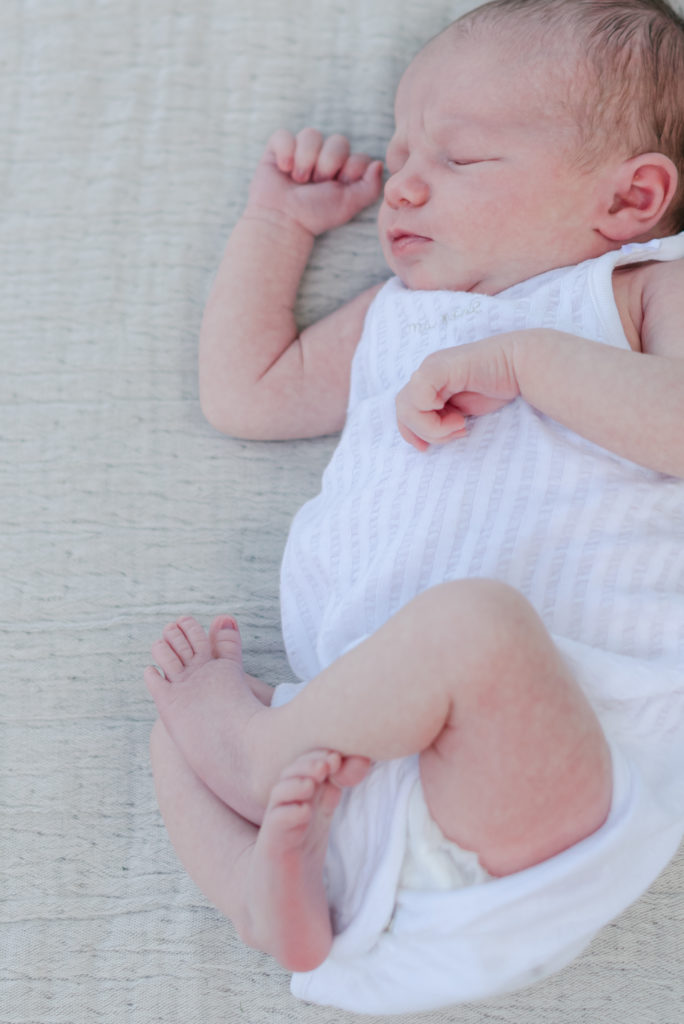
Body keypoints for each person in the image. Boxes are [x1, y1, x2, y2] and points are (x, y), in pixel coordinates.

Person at [144, 0, 684, 1012]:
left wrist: (526, 360)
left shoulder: (641, 288)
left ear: (631, 197)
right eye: (398, 153)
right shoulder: (402, 315)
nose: (408, 181)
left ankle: (260, 758)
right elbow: (247, 392)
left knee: (476, 625)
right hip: (359, 781)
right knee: (169, 708)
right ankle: (267, 903)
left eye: (464, 158)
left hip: (557, 775)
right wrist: (278, 227)